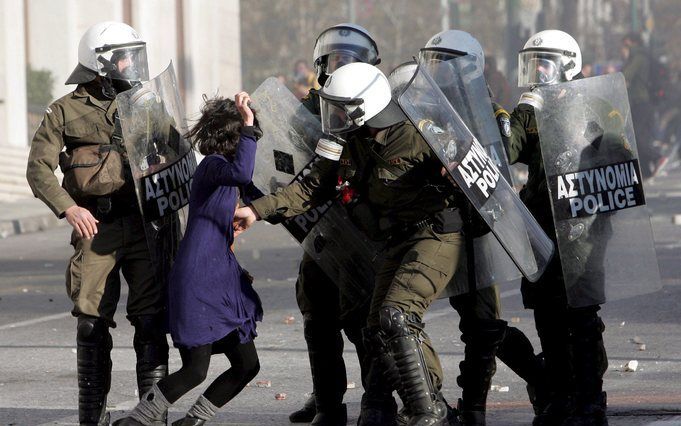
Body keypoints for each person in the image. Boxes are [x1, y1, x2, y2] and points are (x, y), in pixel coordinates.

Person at [235, 62, 463, 426]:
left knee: (397, 315)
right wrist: (256, 212)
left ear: (363, 107)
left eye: (341, 108)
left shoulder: (418, 133)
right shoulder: (346, 141)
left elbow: (470, 173)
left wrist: (454, 168)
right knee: (377, 331)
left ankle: (427, 412)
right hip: (396, 240)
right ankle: (432, 404)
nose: (334, 116)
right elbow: (310, 188)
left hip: (434, 234)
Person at [26, 21, 169, 426]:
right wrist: (69, 208)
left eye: (132, 55)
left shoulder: (146, 103)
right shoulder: (64, 110)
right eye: (123, 56)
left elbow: (176, 154)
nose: (130, 64)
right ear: (100, 63)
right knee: (90, 324)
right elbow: (38, 169)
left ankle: (151, 414)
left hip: (144, 227)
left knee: (151, 321)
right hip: (96, 228)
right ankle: (92, 416)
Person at [419, 30, 548, 425]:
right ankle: (418, 400)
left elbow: (499, 163)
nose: (438, 71)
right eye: (434, 61)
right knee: (397, 314)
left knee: (483, 326)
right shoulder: (419, 108)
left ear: (469, 68)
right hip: (429, 229)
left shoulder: (491, 115)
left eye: (447, 63)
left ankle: (478, 405)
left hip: (475, 231)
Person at [113, 93, 262, 426]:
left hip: (220, 279)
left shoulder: (226, 173)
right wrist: (249, 126)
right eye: (248, 134)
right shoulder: (214, 166)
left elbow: (259, 192)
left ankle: (191, 421)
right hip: (198, 280)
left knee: (247, 365)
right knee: (195, 369)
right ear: (235, 136)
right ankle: (135, 421)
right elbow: (241, 173)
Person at [504, 29, 609, 426]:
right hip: (542, 226)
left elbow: (618, 158)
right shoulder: (533, 109)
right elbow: (508, 151)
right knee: (547, 314)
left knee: (581, 315)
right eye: (532, 64)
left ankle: (590, 400)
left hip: (583, 226)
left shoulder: (594, 104)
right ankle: (560, 397)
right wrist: (523, 109)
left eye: (545, 63)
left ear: (568, 64)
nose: (538, 72)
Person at [282, 24, 383, 426]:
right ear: (323, 66)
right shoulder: (311, 107)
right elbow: (284, 142)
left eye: (349, 60)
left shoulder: (378, 104)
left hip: (361, 229)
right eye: (335, 60)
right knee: (317, 319)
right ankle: (327, 401)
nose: (341, 66)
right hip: (320, 229)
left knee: (363, 324)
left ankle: (376, 403)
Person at [621, 32, 656, 177]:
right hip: (640, 101)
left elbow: (626, 75)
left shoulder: (637, 57)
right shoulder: (641, 56)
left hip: (640, 101)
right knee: (639, 135)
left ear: (630, 43)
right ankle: (647, 170)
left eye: (624, 44)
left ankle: (657, 157)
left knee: (637, 136)